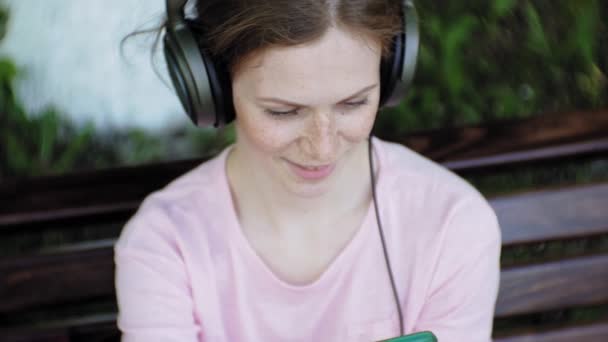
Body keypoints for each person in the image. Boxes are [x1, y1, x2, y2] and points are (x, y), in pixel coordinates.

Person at [114, 0, 501, 341]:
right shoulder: (165, 243)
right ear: (212, 86)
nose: (323, 147)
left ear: (390, 75)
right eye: (283, 111)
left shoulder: (453, 224)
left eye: (353, 104)